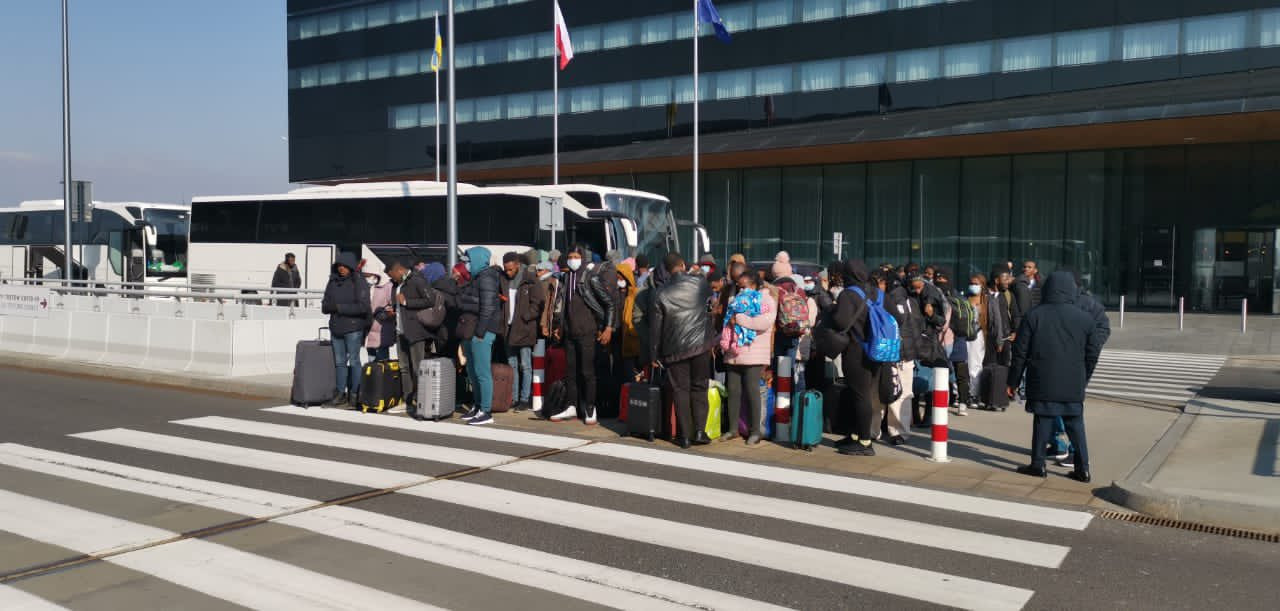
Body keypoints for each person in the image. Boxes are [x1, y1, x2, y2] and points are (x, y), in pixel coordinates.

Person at [1009, 271, 1103, 482]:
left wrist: (1013, 381)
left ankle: (1038, 464)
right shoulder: (1085, 318)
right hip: (1073, 381)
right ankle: (1083, 469)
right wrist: (1084, 376)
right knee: (1076, 424)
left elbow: (1020, 353)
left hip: (1042, 379)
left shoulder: (1034, 315)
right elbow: (1093, 353)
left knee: (1042, 421)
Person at [649, 253, 717, 449]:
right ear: (682, 264)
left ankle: (684, 436)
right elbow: (709, 301)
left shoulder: (660, 292)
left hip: (674, 348)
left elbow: (656, 329)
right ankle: (699, 431)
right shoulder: (699, 283)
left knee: (680, 390)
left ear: (667, 269)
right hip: (700, 345)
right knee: (700, 387)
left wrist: (654, 355)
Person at [550, 247, 615, 425]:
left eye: (576, 257)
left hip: (587, 332)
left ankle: (590, 408)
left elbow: (609, 304)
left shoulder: (590, 278)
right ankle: (571, 405)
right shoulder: (565, 278)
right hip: (569, 333)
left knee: (588, 372)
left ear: (583, 258)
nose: (573, 260)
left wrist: (608, 327)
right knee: (570, 372)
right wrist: (559, 326)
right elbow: (564, 306)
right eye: (570, 257)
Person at [831, 260, 879, 456]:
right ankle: (854, 435)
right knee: (858, 394)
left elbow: (840, 321)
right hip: (876, 351)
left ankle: (865, 441)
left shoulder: (848, 294)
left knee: (860, 395)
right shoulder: (876, 292)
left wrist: (833, 310)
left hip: (855, 352)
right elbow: (897, 317)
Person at [722, 271, 776, 445]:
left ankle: (755, 431)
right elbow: (727, 320)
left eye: (744, 286)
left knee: (752, 390)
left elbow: (764, 322)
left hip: (754, 352)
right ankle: (732, 428)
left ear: (754, 285)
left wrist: (739, 318)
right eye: (739, 286)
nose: (740, 289)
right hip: (734, 352)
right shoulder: (735, 299)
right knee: (733, 390)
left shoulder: (766, 299)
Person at [874, 269, 922, 445]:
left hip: (895, 351)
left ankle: (879, 431)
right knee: (902, 393)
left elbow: (896, 324)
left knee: (885, 392)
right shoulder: (908, 298)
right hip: (905, 351)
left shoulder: (892, 298)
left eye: (879, 282)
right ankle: (898, 431)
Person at [458, 247, 503, 426]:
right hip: (474, 329)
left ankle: (486, 410)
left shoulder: (486, 277)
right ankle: (477, 406)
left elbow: (488, 307)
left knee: (482, 372)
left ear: (477, 260)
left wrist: (480, 333)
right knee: (472, 370)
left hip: (482, 331)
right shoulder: (478, 277)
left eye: (467, 260)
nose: (465, 264)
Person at [384, 260, 435, 414]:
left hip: (415, 331)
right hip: (401, 330)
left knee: (417, 368)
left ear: (399, 270)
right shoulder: (399, 284)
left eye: (392, 276)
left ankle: (420, 401)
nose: (391, 279)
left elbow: (430, 300)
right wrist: (394, 309)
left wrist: (407, 302)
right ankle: (407, 401)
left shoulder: (417, 280)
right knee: (404, 368)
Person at [321, 253, 371, 407]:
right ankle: (340, 393)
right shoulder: (332, 281)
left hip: (353, 328)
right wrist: (333, 307)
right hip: (336, 327)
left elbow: (363, 307)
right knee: (340, 362)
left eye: (344, 266)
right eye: (339, 266)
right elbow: (325, 306)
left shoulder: (359, 282)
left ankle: (355, 394)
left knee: (354, 361)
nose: (341, 268)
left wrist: (339, 307)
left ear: (350, 266)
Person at [501, 251, 546, 412]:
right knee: (512, 364)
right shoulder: (504, 280)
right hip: (508, 328)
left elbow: (539, 302)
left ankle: (524, 398)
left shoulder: (530, 279)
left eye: (511, 269)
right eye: (506, 269)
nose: (508, 272)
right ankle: (514, 398)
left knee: (525, 365)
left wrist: (526, 316)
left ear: (518, 265)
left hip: (524, 328)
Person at [365, 273, 395, 362]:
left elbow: (393, 306)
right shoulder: (366, 286)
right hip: (368, 329)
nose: (366, 277)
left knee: (382, 364)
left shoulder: (388, 286)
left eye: (367, 275)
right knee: (371, 364)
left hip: (382, 329)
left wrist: (383, 315)